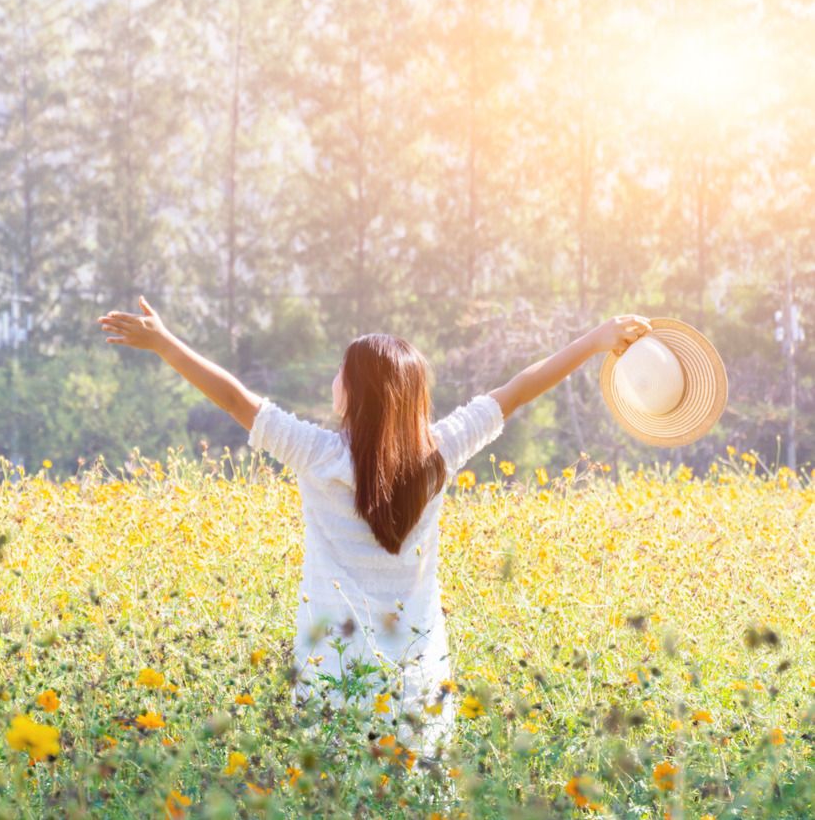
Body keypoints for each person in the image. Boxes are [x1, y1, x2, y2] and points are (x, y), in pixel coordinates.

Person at [97, 297, 651, 761]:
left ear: (355, 392)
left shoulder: (315, 454)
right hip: (418, 685)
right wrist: (597, 338)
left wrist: (165, 344)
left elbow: (235, 398)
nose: (333, 380)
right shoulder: (441, 451)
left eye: (342, 372)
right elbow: (521, 387)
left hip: (333, 681)